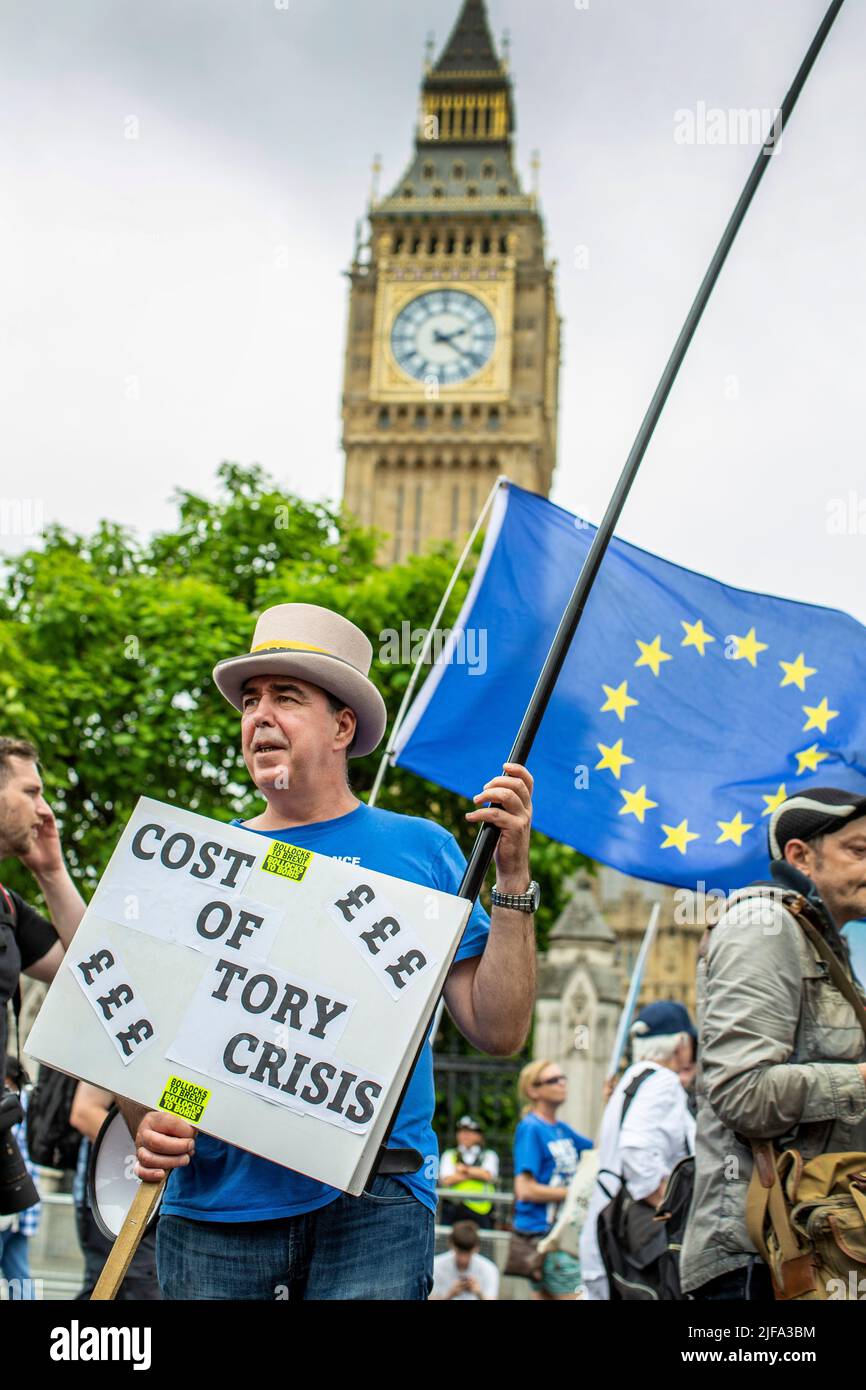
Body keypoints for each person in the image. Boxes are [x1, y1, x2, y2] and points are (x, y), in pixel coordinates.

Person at [117, 603, 538, 1301]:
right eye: (251, 701)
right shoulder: (195, 860)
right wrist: (146, 1119)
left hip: (377, 1200)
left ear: (343, 726)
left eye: (287, 697)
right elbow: (140, 1031)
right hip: (218, 1203)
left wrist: (514, 880)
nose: (260, 716)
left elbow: (497, 1030)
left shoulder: (423, 850)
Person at [680, 787, 866, 1300]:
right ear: (799, 856)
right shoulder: (764, 927)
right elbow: (742, 1093)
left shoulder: (819, 943)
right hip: (757, 1263)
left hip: (808, 1254)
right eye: (859, 850)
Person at [579, 1001, 696, 1300]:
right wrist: (666, 1205)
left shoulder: (634, 1078)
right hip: (633, 1238)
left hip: (609, 1229)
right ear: (681, 1044)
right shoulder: (663, 1081)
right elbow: (636, 1148)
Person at [0, 737, 86, 1079]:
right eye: (31, 792)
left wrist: (52, 873)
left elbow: (89, 971)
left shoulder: (7, 906)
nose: (45, 810)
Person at [69, 1082, 162, 1300]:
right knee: (132, 1288)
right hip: (117, 1197)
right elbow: (84, 1112)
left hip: (150, 1195)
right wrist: (153, 1146)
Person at [511, 1059, 592, 1300]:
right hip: (545, 1235)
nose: (562, 1084)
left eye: (562, 1077)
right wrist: (574, 1193)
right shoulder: (531, 1128)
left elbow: (600, 1151)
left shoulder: (561, 1129)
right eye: (553, 1080)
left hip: (556, 1235)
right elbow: (524, 1189)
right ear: (533, 1090)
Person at [0, 1061, 40, 1299]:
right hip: (23, 1204)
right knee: (20, 1280)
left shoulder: (9, 1107)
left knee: (19, 1278)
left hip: (6, 1204)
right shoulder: (28, 1104)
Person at [439, 1115, 500, 1229]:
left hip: (481, 1211)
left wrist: (464, 1170)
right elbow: (447, 1180)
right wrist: (475, 1173)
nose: (465, 1135)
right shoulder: (449, 1154)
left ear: (479, 1135)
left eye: (470, 1132)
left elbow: (488, 1175)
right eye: (461, 1131)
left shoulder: (489, 1155)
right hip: (453, 1210)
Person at [429, 1219, 500, 1300]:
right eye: (459, 1252)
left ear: (476, 1248)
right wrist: (449, 1295)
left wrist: (479, 1294)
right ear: (451, 1244)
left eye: (468, 1253)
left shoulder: (489, 1269)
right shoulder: (436, 1265)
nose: (463, 1259)